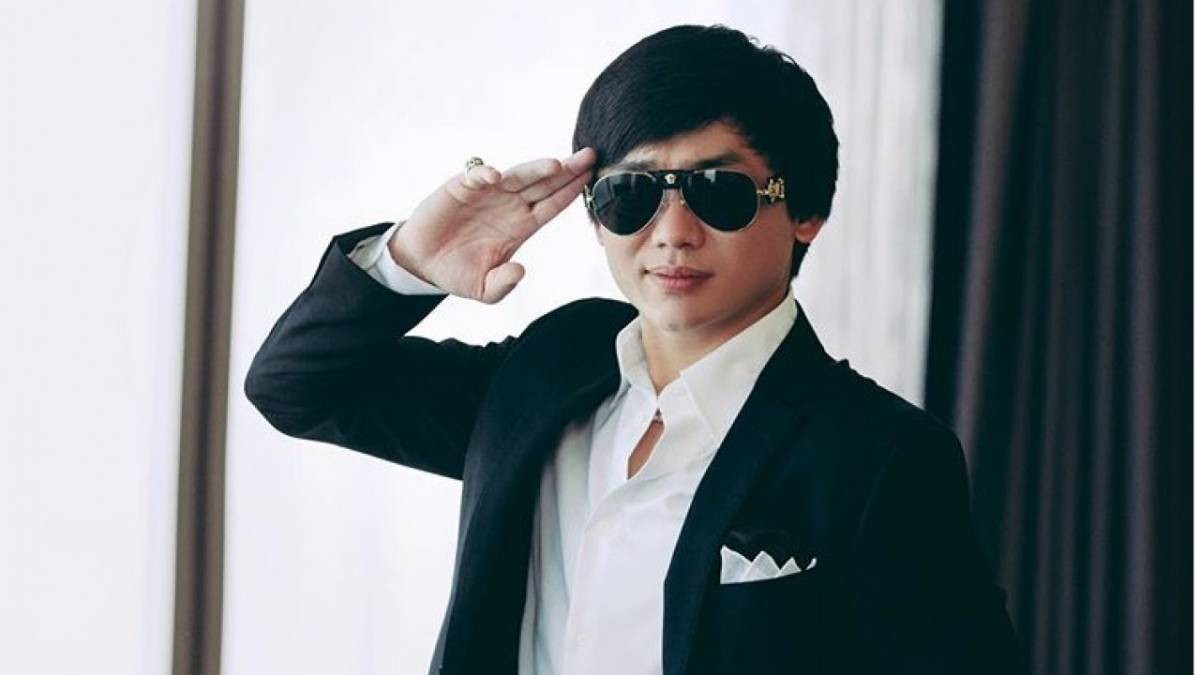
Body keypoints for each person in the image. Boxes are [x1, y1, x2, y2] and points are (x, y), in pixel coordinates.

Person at [244, 24, 1021, 675]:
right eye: (632, 194)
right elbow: (297, 387)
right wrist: (409, 261)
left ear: (805, 211)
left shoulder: (880, 455)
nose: (672, 233)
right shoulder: (550, 369)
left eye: (718, 192)